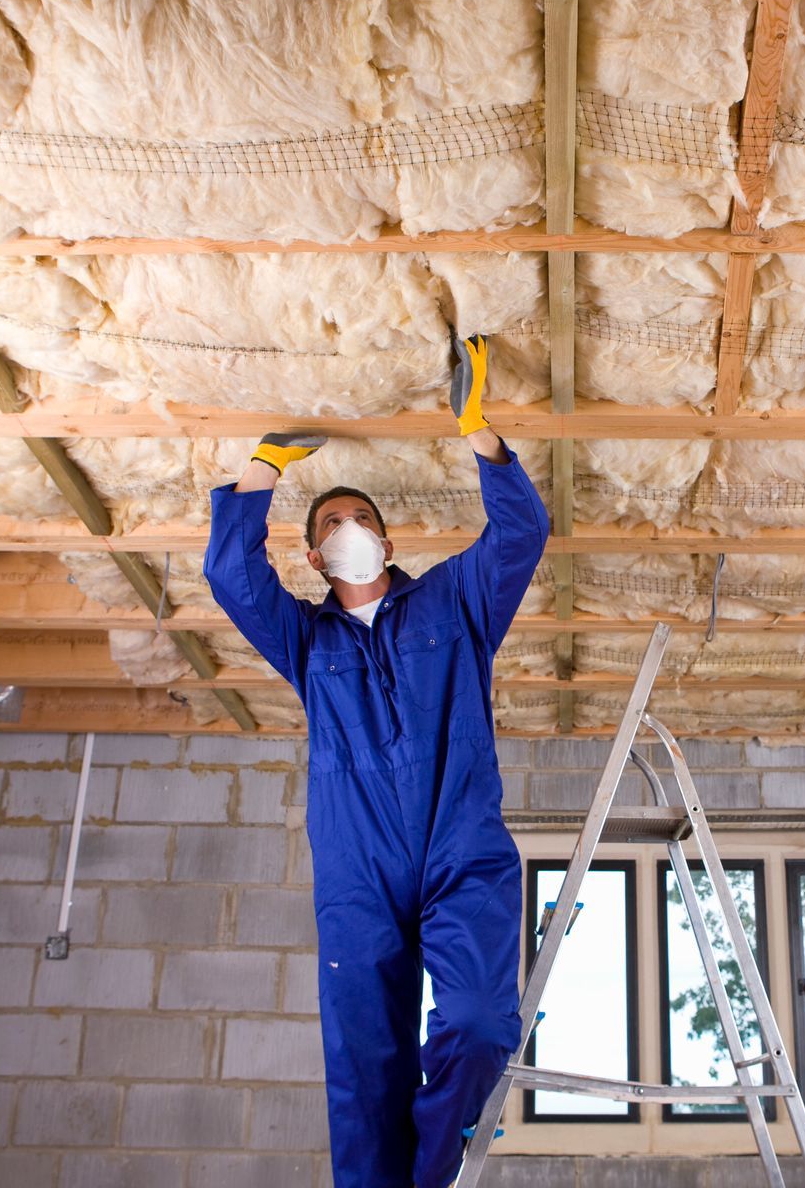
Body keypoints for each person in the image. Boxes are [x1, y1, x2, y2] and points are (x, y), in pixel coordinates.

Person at [204, 334, 548, 1188]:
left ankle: (429, 1174)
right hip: (357, 874)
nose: (349, 529)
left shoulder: (453, 604)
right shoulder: (306, 640)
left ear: (387, 544)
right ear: (314, 558)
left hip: (460, 853)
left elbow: (521, 534)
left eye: (362, 520)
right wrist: (264, 467)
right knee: (363, 1068)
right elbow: (230, 576)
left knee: (476, 1023)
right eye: (332, 525)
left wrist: (479, 432)